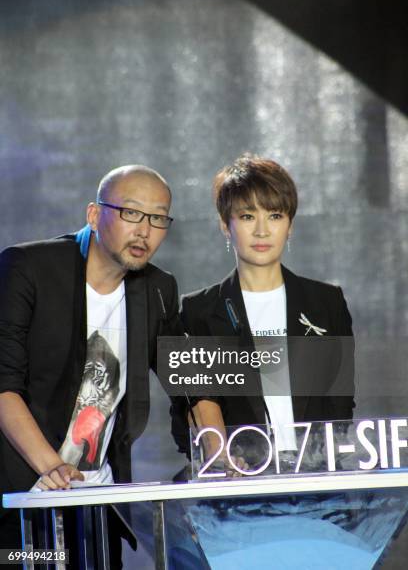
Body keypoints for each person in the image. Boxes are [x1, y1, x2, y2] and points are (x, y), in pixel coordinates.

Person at [0, 165, 182, 564]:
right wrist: (52, 467)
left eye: (158, 218)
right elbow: (3, 385)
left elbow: (185, 380)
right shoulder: (27, 268)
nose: (144, 230)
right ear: (95, 214)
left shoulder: (158, 289)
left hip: (96, 501)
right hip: (19, 494)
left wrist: (217, 447)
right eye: (132, 212)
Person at [171, 153, 354, 467]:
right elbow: (187, 415)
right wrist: (224, 458)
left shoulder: (327, 303)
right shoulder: (197, 310)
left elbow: (341, 407)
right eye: (246, 216)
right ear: (225, 226)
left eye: (274, 215)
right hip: (239, 485)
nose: (261, 230)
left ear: (290, 225)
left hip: (318, 481)